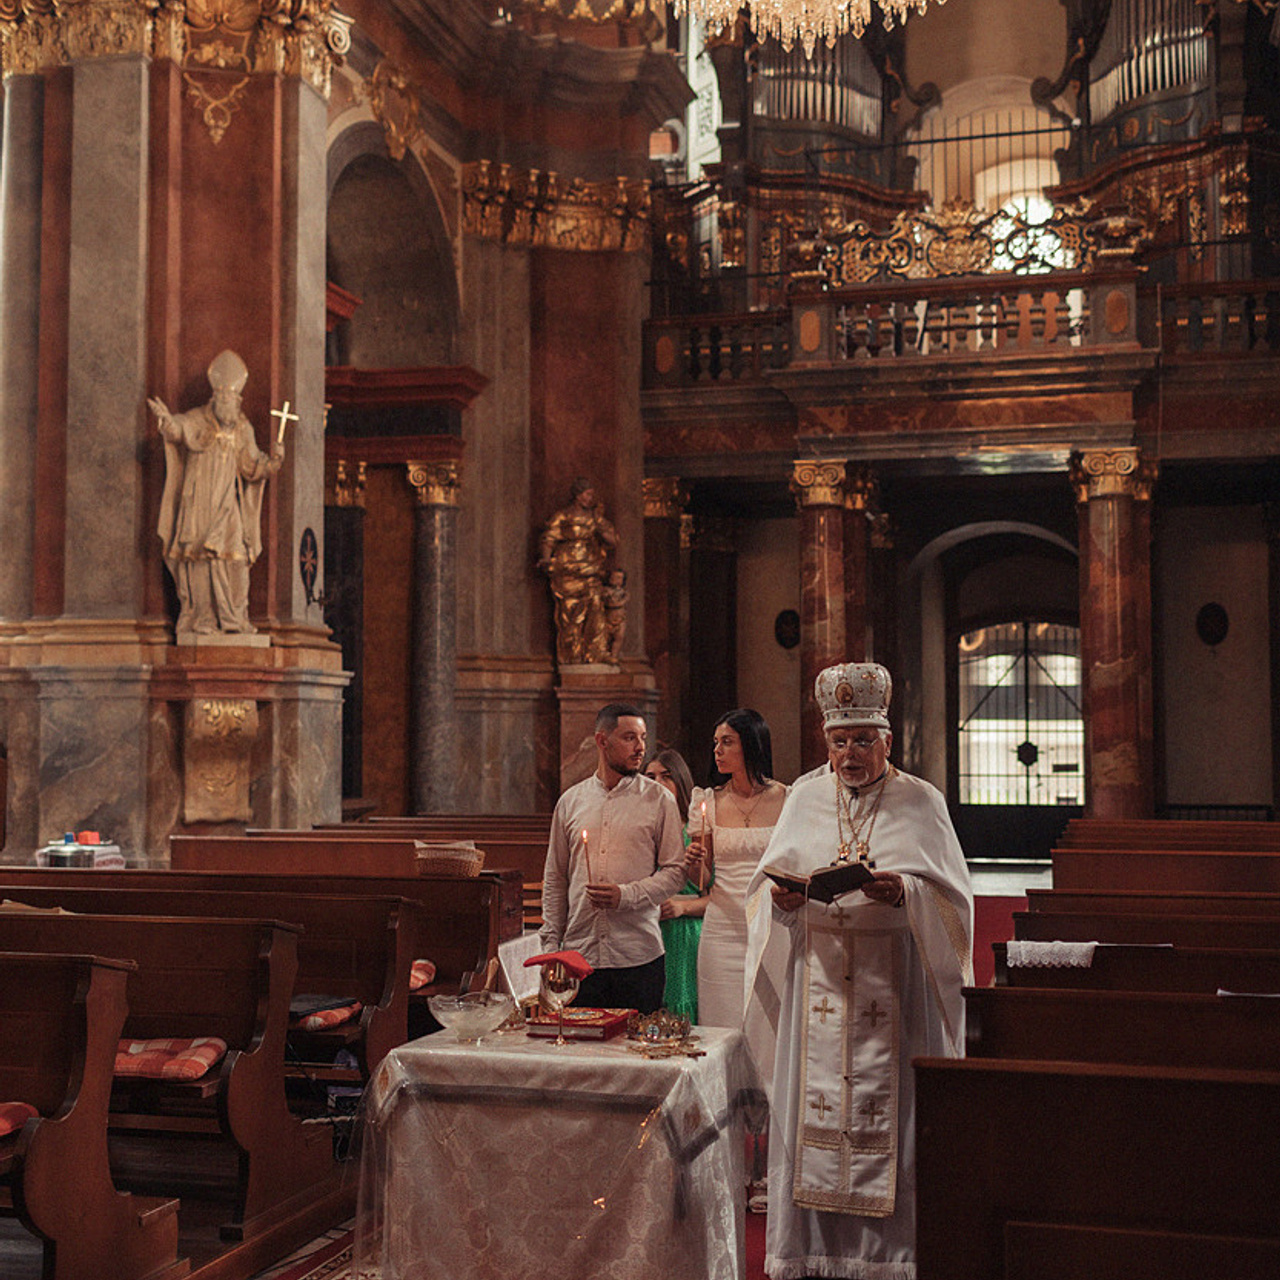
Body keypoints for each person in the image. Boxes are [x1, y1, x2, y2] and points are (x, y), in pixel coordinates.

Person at [743, 663, 973, 1280]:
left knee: (892, 1124)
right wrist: (785, 903)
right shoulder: (804, 797)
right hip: (817, 985)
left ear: (887, 740)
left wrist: (905, 894)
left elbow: (956, 906)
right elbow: (768, 893)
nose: (850, 754)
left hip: (893, 991)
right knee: (813, 1121)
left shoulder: (921, 801)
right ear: (826, 740)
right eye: (839, 741)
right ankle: (814, 1253)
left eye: (863, 740)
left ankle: (891, 1260)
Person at [540, 703, 686, 1013]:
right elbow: (555, 878)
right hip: (580, 957)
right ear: (602, 741)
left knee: (638, 1055)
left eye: (643, 738)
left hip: (638, 956)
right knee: (583, 1054)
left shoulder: (659, 800)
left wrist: (627, 895)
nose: (641, 748)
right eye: (630, 738)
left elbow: (675, 872)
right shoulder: (570, 802)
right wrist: (551, 949)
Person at [149, 349, 283, 635]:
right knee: (199, 556)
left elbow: (251, 465)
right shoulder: (197, 419)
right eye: (223, 397)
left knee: (235, 557)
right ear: (215, 398)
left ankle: (235, 616)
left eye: (232, 398)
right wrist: (167, 421)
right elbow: (178, 430)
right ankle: (202, 618)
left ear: (238, 401)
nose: (228, 402)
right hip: (199, 501)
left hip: (228, 503)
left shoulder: (243, 428)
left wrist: (272, 464)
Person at [645, 747, 708, 1022]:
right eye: (649, 776)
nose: (657, 784)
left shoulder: (693, 832)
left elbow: (718, 896)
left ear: (680, 782)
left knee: (677, 1010)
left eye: (666, 777)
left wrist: (683, 907)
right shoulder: (642, 830)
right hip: (647, 930)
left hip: (683, 932)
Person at [536, 478, 618, 665]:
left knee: (596, 607)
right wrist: (547, 558)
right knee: (571, 615)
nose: (590, 498)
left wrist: (599, 528)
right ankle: (572, 656)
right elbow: (549, 538)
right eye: (587, 494)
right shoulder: (563, 516)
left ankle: (596, 653)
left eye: (591, 495)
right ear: (578, 495)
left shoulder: (595, 518)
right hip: (568, 569)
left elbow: (612, 541)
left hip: (590, 568)